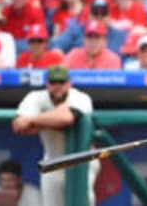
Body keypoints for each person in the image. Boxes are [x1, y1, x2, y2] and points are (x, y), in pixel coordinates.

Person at [12, 65, 100, 206]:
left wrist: (33, 120)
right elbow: (19, 125)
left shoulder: (80, 97)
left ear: (69, 83)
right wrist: (52, 120)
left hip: (82, 160)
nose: (58, 86)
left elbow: (66, 118)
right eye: (53, 82)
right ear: (47, 84)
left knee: (82, 203)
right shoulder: (36, 97)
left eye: (62, 82)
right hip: (53, 160)